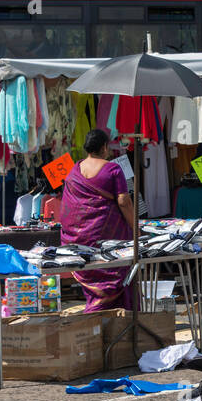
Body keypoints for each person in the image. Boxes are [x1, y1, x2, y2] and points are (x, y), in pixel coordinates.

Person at [60, 128, 137, 311]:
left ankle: (97, 319)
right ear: (104, 146)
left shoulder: (75, 169)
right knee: (117, 274)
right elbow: (124, 201)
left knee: (94, 278)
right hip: (107, 238)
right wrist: (136, 227)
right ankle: (110, 319)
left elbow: (71, 206)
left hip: (79, 239)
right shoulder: (112, 168)